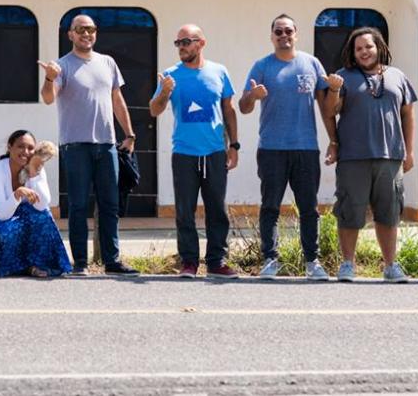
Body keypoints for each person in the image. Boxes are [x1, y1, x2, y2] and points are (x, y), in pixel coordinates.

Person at [39, 14, 138, 276]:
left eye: (91, 29)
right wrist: (49, 78)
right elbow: (48, 98)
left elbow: (117, 99)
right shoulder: (62, 65)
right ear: (70, 34)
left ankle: (112, 261)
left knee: (110, 205)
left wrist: (129, 134)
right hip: (75, 146)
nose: (86, 34)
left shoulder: (108, 62)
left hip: (107, 145)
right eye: (80, 29)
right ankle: (80, 263)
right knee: (78, 206)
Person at [239, 14, 336, 281]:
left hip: (306, 148)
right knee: (270, 207)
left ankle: (312, 262)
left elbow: (326, 107)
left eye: (288, 31)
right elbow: (243, 107)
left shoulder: (312, 64)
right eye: (279, 32)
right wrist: (252, 96)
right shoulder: (262, 66)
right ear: (272, 36)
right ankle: (270, 260)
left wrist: (334, 140)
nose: (284, 36)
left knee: (309, 208)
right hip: (271, 149)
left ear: (296, 34)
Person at [322, 27, 416, 283]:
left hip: (390, 156)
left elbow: (408, 115)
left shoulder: (397, 76)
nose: (364, 52)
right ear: (352, 53)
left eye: (368, 47)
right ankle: (347, 264)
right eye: (359, 48)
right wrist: (334, 90)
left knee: (389, 212)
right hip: (353, 157)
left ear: (379, 47)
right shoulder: (343, 77)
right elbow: (330, 111)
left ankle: (390, 266)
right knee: (350, 211)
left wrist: (409, 151)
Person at [150, 24, 240, 279]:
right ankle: (189, 262)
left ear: (201, 43)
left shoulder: (219, 72)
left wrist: (234, 145)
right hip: (184, 153)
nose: (181, 47)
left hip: (214, 152)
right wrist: (165, 92)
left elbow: (229, 109)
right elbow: (154, 110)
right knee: (184, 211)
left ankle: (217, 261)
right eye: (178, 43)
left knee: (217, 210)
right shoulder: (170, 75)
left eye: (186, 42)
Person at [0, 130, 71, 277]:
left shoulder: (36, 167)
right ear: (10, 147)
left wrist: (33, 173)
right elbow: (1, 214)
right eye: (21, 146)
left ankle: (35, 264)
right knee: (11, 229)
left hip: (12, 216)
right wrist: (17, 194)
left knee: (43, 218)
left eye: (30, 148)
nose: (26, 152)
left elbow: (42, 206)